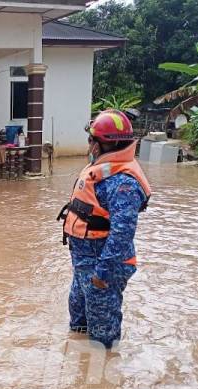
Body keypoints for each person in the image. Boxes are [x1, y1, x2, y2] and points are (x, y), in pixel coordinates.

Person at [57, 110, 151, 349]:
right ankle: (78, 367)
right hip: (85, 263)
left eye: (91, 140)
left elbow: (122, 235)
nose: (88, 144)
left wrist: (102, 275)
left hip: (102, 267)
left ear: (102, 145)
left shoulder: (123, 184)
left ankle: (103, 376)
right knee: (78, 318)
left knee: (102, 333)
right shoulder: (102, 170)